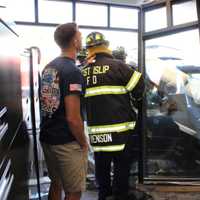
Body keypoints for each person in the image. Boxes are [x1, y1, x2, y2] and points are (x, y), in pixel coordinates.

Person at [82, 32, 144, 200]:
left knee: (101, 168)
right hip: (121, 132)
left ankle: (104, 195)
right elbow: (140, 89)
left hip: (97, 134)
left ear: (89, 50)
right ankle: (120, 195)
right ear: (106, 46)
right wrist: (135, 101)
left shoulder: (82, 72)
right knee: (121, 168)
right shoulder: (119, 66)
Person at [40, 22, 88, 200]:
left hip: (47, 137)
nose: (81, 38)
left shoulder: (49, 67)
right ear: (75, 41)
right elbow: (73, 118)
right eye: (80, 36)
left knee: (56, 183)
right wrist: (83, 143)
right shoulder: (72, 71)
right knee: (74, 191)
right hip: (66, 142)